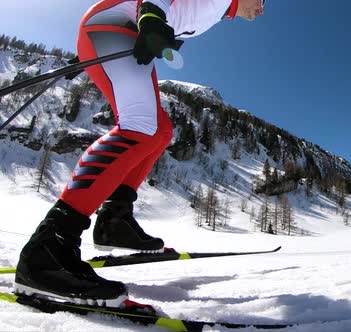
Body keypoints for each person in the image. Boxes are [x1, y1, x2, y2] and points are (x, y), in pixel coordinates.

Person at [14, 0, 265, 307]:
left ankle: (115, 219)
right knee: (139, 126)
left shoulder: (214, 13)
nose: (262, 9)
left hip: (115, 32)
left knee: (159, 130)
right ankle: (47, 250)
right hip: (110, 29)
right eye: (263, 1)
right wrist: (151, 17)